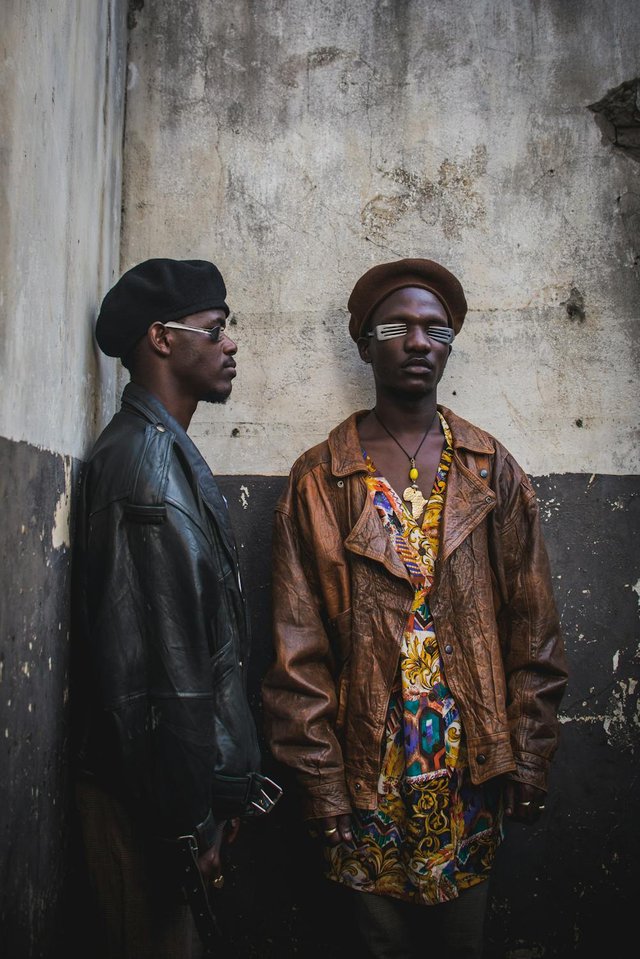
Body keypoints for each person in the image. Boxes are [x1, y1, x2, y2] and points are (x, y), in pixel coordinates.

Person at [261, 258, 568, 959]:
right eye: (397, 327)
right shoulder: (320, 479)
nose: (419, 342)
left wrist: (529, 756)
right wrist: (321, 784)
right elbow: (295, 651)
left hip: (471, 769)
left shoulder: (490, 469)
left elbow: (535, 630)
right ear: (366, 343)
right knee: (376, 939)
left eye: (437, 329)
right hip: (368, 769)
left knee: (462, 938)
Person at [71, 258, 281, 959]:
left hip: (178, 806)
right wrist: (191, 827)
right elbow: (160, 678)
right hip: (157, 818)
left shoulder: (164, 451)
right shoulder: (147, 475)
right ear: (162, 339)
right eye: (214, 330)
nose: (231, 344)